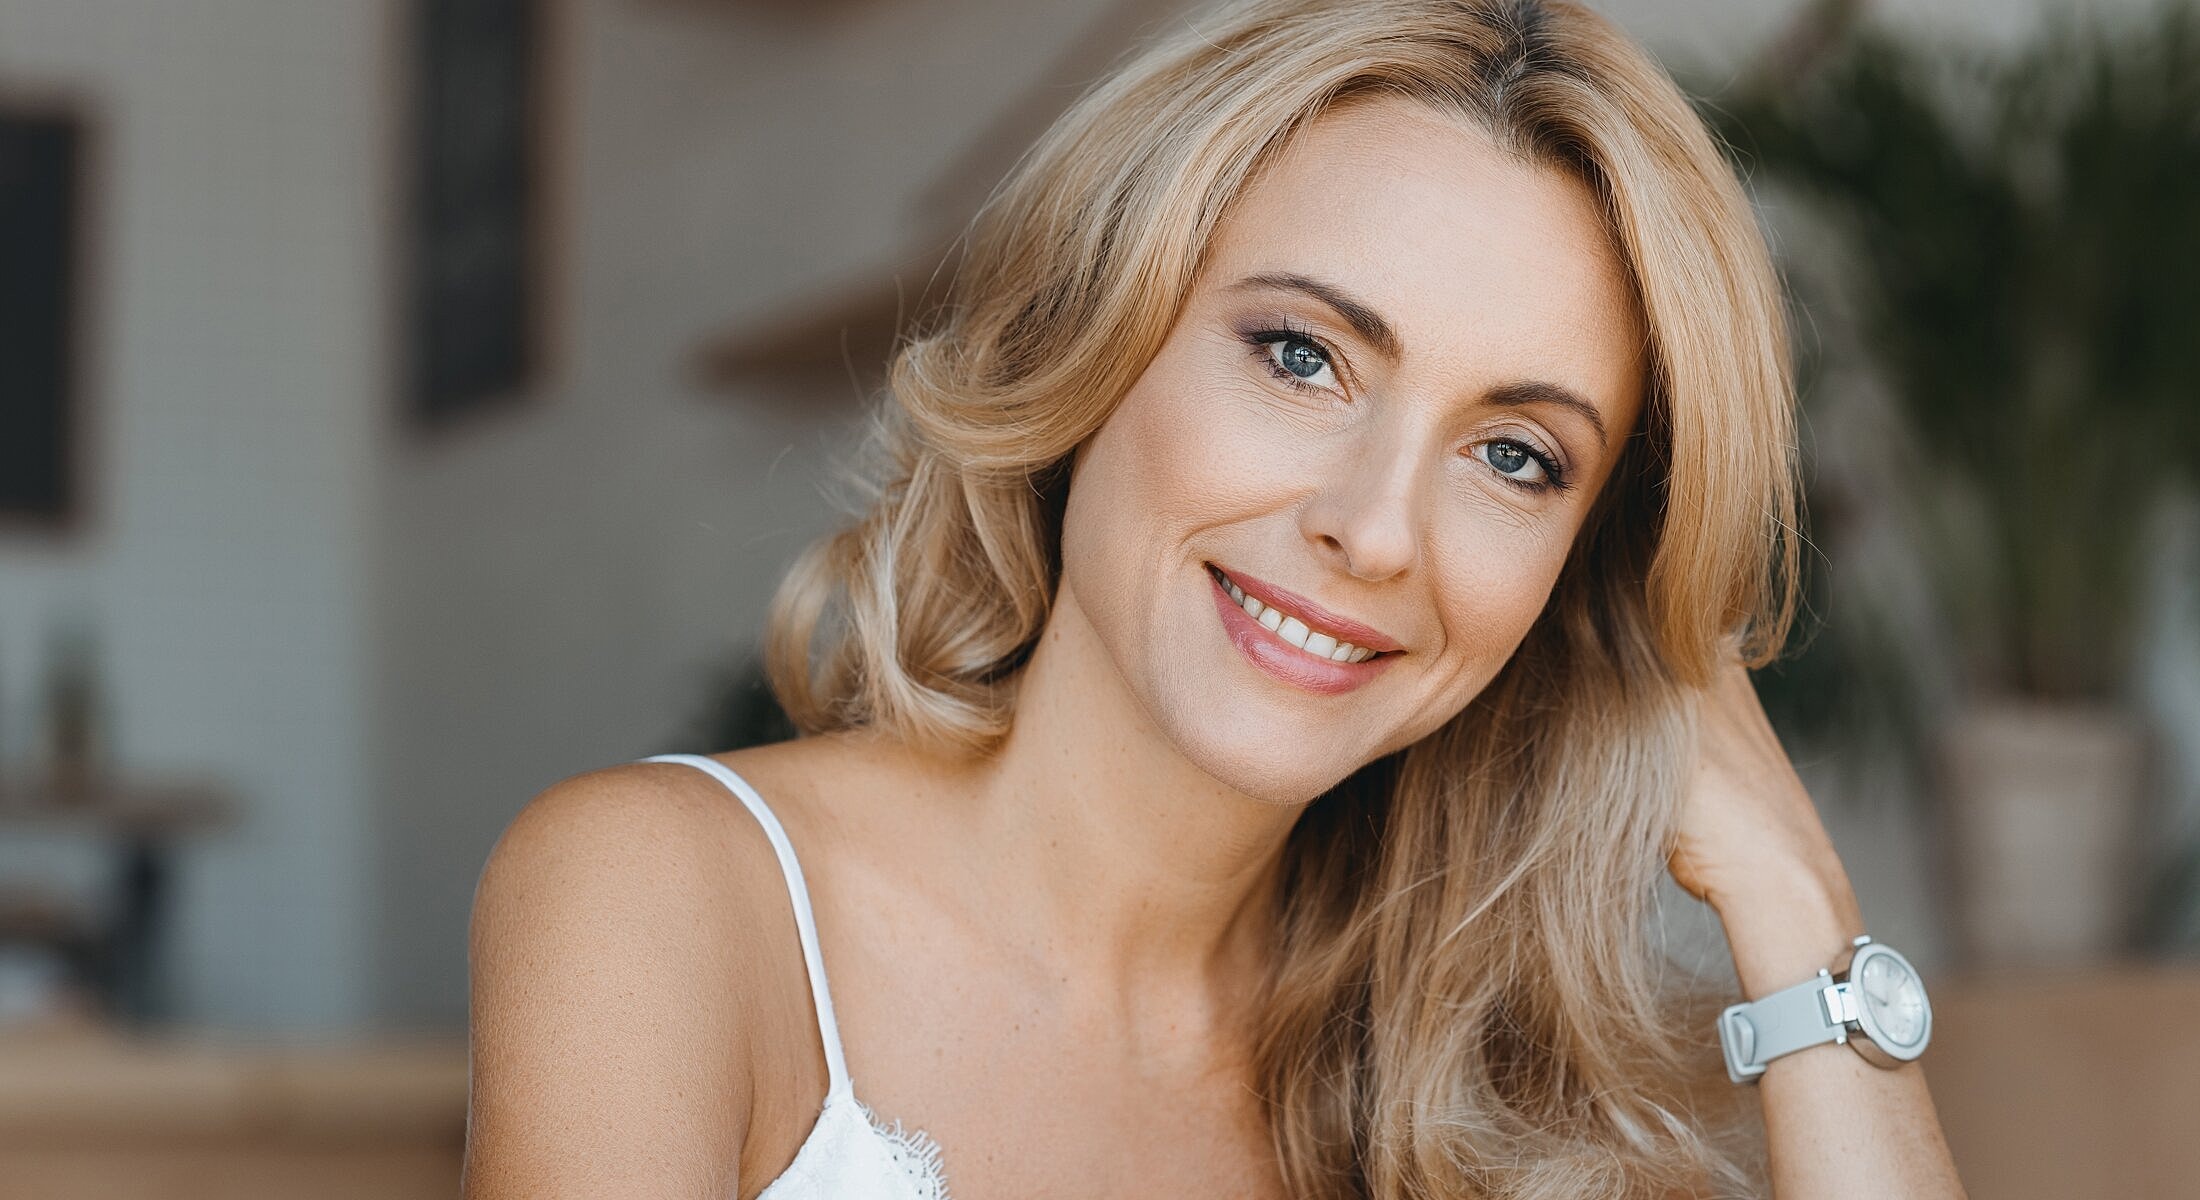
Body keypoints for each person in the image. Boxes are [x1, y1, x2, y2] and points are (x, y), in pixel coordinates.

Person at [462, 0, 1968, 1196]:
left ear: (1574, 578)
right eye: (1303, 357)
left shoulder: (1492, 1102)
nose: (1373, 531)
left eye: (1514, 456)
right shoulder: (670, 897)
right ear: (1096, 335)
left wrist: (1796, 901)